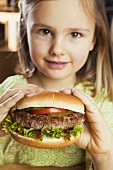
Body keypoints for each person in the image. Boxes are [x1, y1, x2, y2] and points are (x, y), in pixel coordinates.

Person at [0, 0, 113, 169]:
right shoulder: (8, 91)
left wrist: (103, 156)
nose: (57, 49)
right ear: (25, 30)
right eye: (45, 31)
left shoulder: (100, 103)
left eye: (75, 34)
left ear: (93, 40)